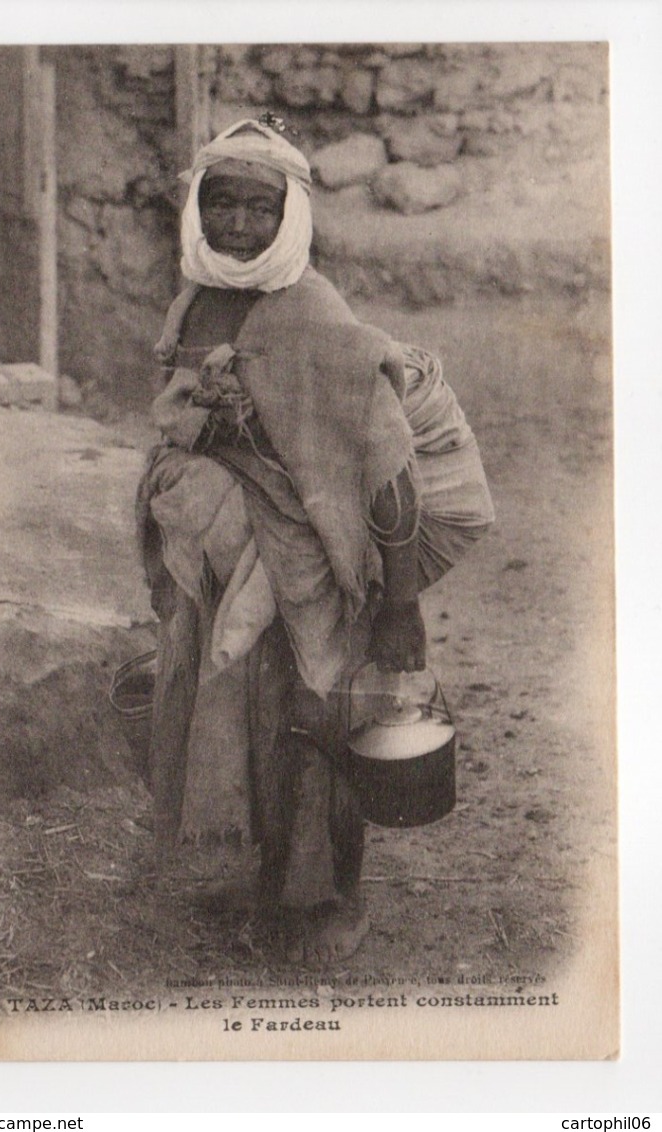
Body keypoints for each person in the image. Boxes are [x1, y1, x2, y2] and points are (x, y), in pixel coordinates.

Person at [137, 115, 494, 964]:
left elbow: (386, 466)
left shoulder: (314, 313)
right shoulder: (195, 297)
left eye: (259, 209)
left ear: (291, 215)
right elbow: (186, 412)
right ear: (197, 208)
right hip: (233, 562)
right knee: (241, 719)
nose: (237, 225)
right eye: (219, 203)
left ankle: (326, 904)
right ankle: (260, 885)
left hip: (314, 566)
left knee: (314, 723)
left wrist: (401, 606)